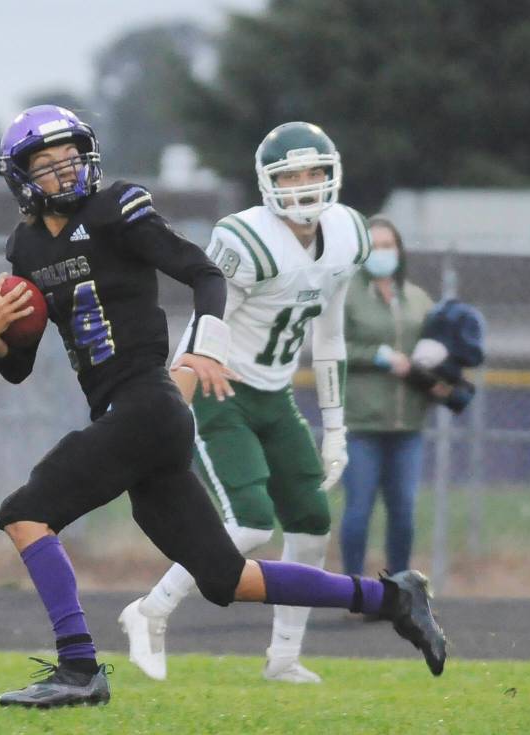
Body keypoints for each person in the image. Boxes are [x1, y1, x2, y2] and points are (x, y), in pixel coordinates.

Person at [0, 106, 446, 709]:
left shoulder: (117, 207)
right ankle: (393, 598)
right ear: (20, 177)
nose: (65, 171)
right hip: (130, 421)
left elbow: (203, 274)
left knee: (25, 512)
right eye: (46, 163)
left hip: (148, 403)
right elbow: (18, 367)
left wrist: (204, 346)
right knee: (230, 580)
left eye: (71, 156)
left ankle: (78, 668)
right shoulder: (25, 247)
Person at [120, 121, 370, 684]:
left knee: (311, 523)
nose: (305, 185)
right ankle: (150, 610)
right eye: (292, 175)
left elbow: (330, 337)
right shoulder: (245, 239)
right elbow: (208, 321)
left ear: (332, 174)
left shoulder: (350, 234)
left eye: (314, 173)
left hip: (275, 393)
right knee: (252, 522)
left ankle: (284, 656)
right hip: (219, 387)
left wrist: (336, 427)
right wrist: (172, 400)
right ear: (268, 183)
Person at [338, 216, 436, 583]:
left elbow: (436, 346)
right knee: (358, 512)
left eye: (388, 245)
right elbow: (333, 347)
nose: (382, 253)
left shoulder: (418, 299)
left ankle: (399, 591)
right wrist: (377, 355)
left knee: (403, 514)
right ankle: (352, 587)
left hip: (407, 425)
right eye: (374, 246)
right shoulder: (347, 296)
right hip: (363, 424)